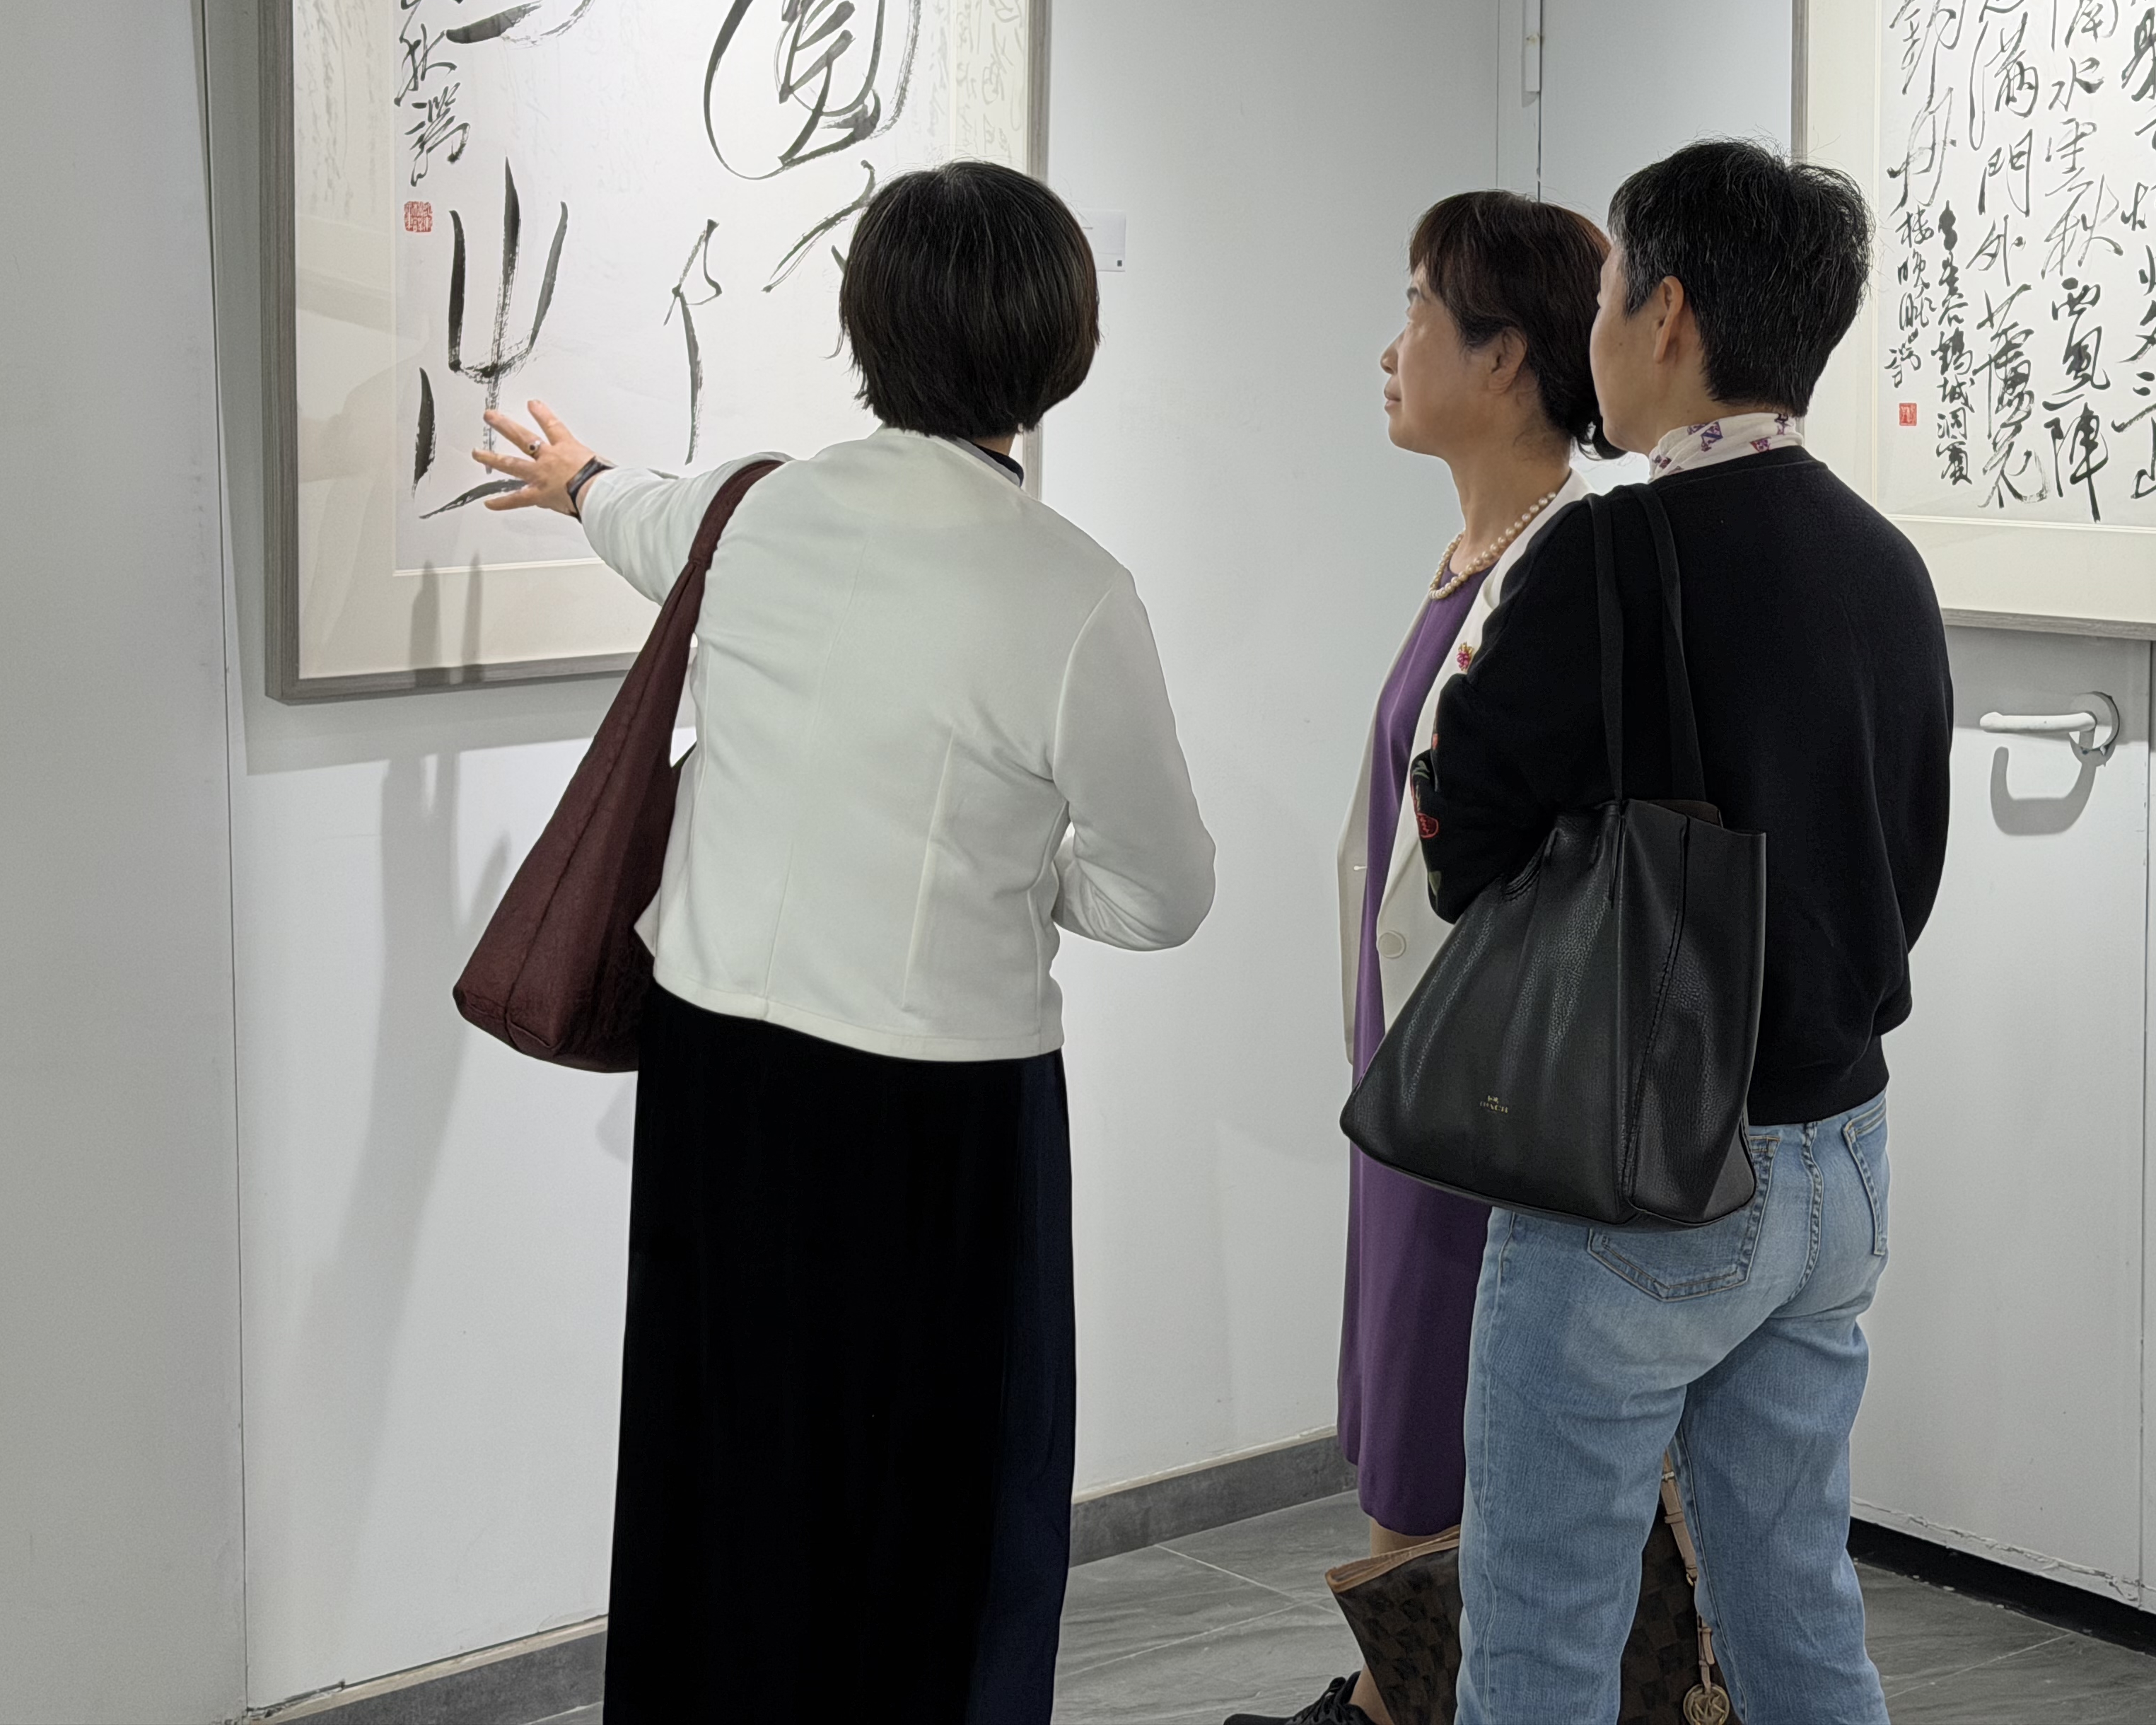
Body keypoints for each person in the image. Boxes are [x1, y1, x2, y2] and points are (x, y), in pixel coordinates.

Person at [469, 160, 1216, 1724]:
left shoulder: (755, 514)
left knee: (718, 1468)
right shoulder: (1073, 592)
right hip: (934, 1111)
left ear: (864, 324)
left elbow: (636, 518)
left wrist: (579, 475)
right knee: (940, 1514)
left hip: (714, 1081)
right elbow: (1164, 893)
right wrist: (1017, 878)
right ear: (1062, 348)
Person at [1414, 139, 1952, 1724]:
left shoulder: (1609, 551)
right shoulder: (1886, 563)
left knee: (1541, 1634)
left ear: (1667, 316)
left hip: (1640, 1171)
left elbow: (1465, 838)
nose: (1593, 333)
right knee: (1797, 1610)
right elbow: (1908, 866)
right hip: (1840, 1158)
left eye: (1604, 298)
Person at [1233, 191, 1616, 1725]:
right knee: (1408, 1409)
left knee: (1444, 1428)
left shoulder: (1568, 561)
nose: (1390, 348)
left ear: (1506, 357)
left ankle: (1409, 1702)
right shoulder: (1477, 554)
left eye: (1416, 311)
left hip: (1487, 1088)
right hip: (1417, 1069)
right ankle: (1401, 1693)